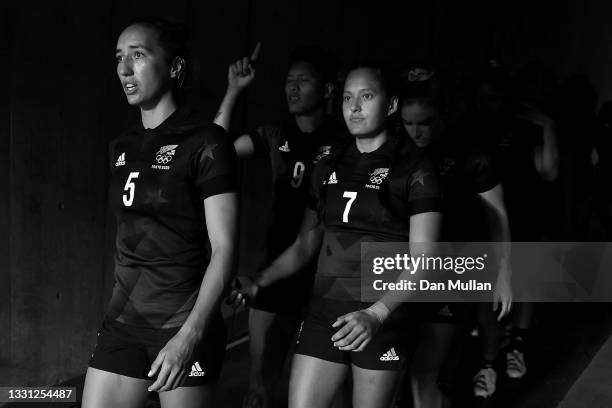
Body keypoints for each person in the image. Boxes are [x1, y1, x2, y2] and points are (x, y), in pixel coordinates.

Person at [235, 61, 442, 408]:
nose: (355, 107)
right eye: (347, 98)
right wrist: (259, 281)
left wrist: (376, 314)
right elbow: (305, 244)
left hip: (380, 317)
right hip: (324, 312)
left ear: (390, 105)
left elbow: (425, 259)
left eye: (367, 96)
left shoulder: (415, 168)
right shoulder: (328, 162)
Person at [82, 18, 238, 408]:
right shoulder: (121, 146)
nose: (124, 69)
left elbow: (225, 248)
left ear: (175, 67)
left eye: (138, 55)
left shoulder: (206, 142)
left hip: (184, 325)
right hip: (123, 324)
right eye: (119, 58)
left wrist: (190, 336)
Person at [214, 45, 343, 408]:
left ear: (328, 91)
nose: (293, 88)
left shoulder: (346, 143)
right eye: (289, 81)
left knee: (329, 395)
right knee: (259, 389)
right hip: (276, 272)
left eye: (303, 81)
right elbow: (213, 150)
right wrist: (234, 89)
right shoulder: (275, 134)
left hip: (329, 277)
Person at [399, 67, 512, 404]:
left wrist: (504, 272)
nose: (417, 131)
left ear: (442, 116)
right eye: (409, 123)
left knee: (423, 377)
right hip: (406, 273)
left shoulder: (469, 153)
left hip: (455, 271)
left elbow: (498, 216)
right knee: (407, 377)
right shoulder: (398, 154)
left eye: (425, 122)